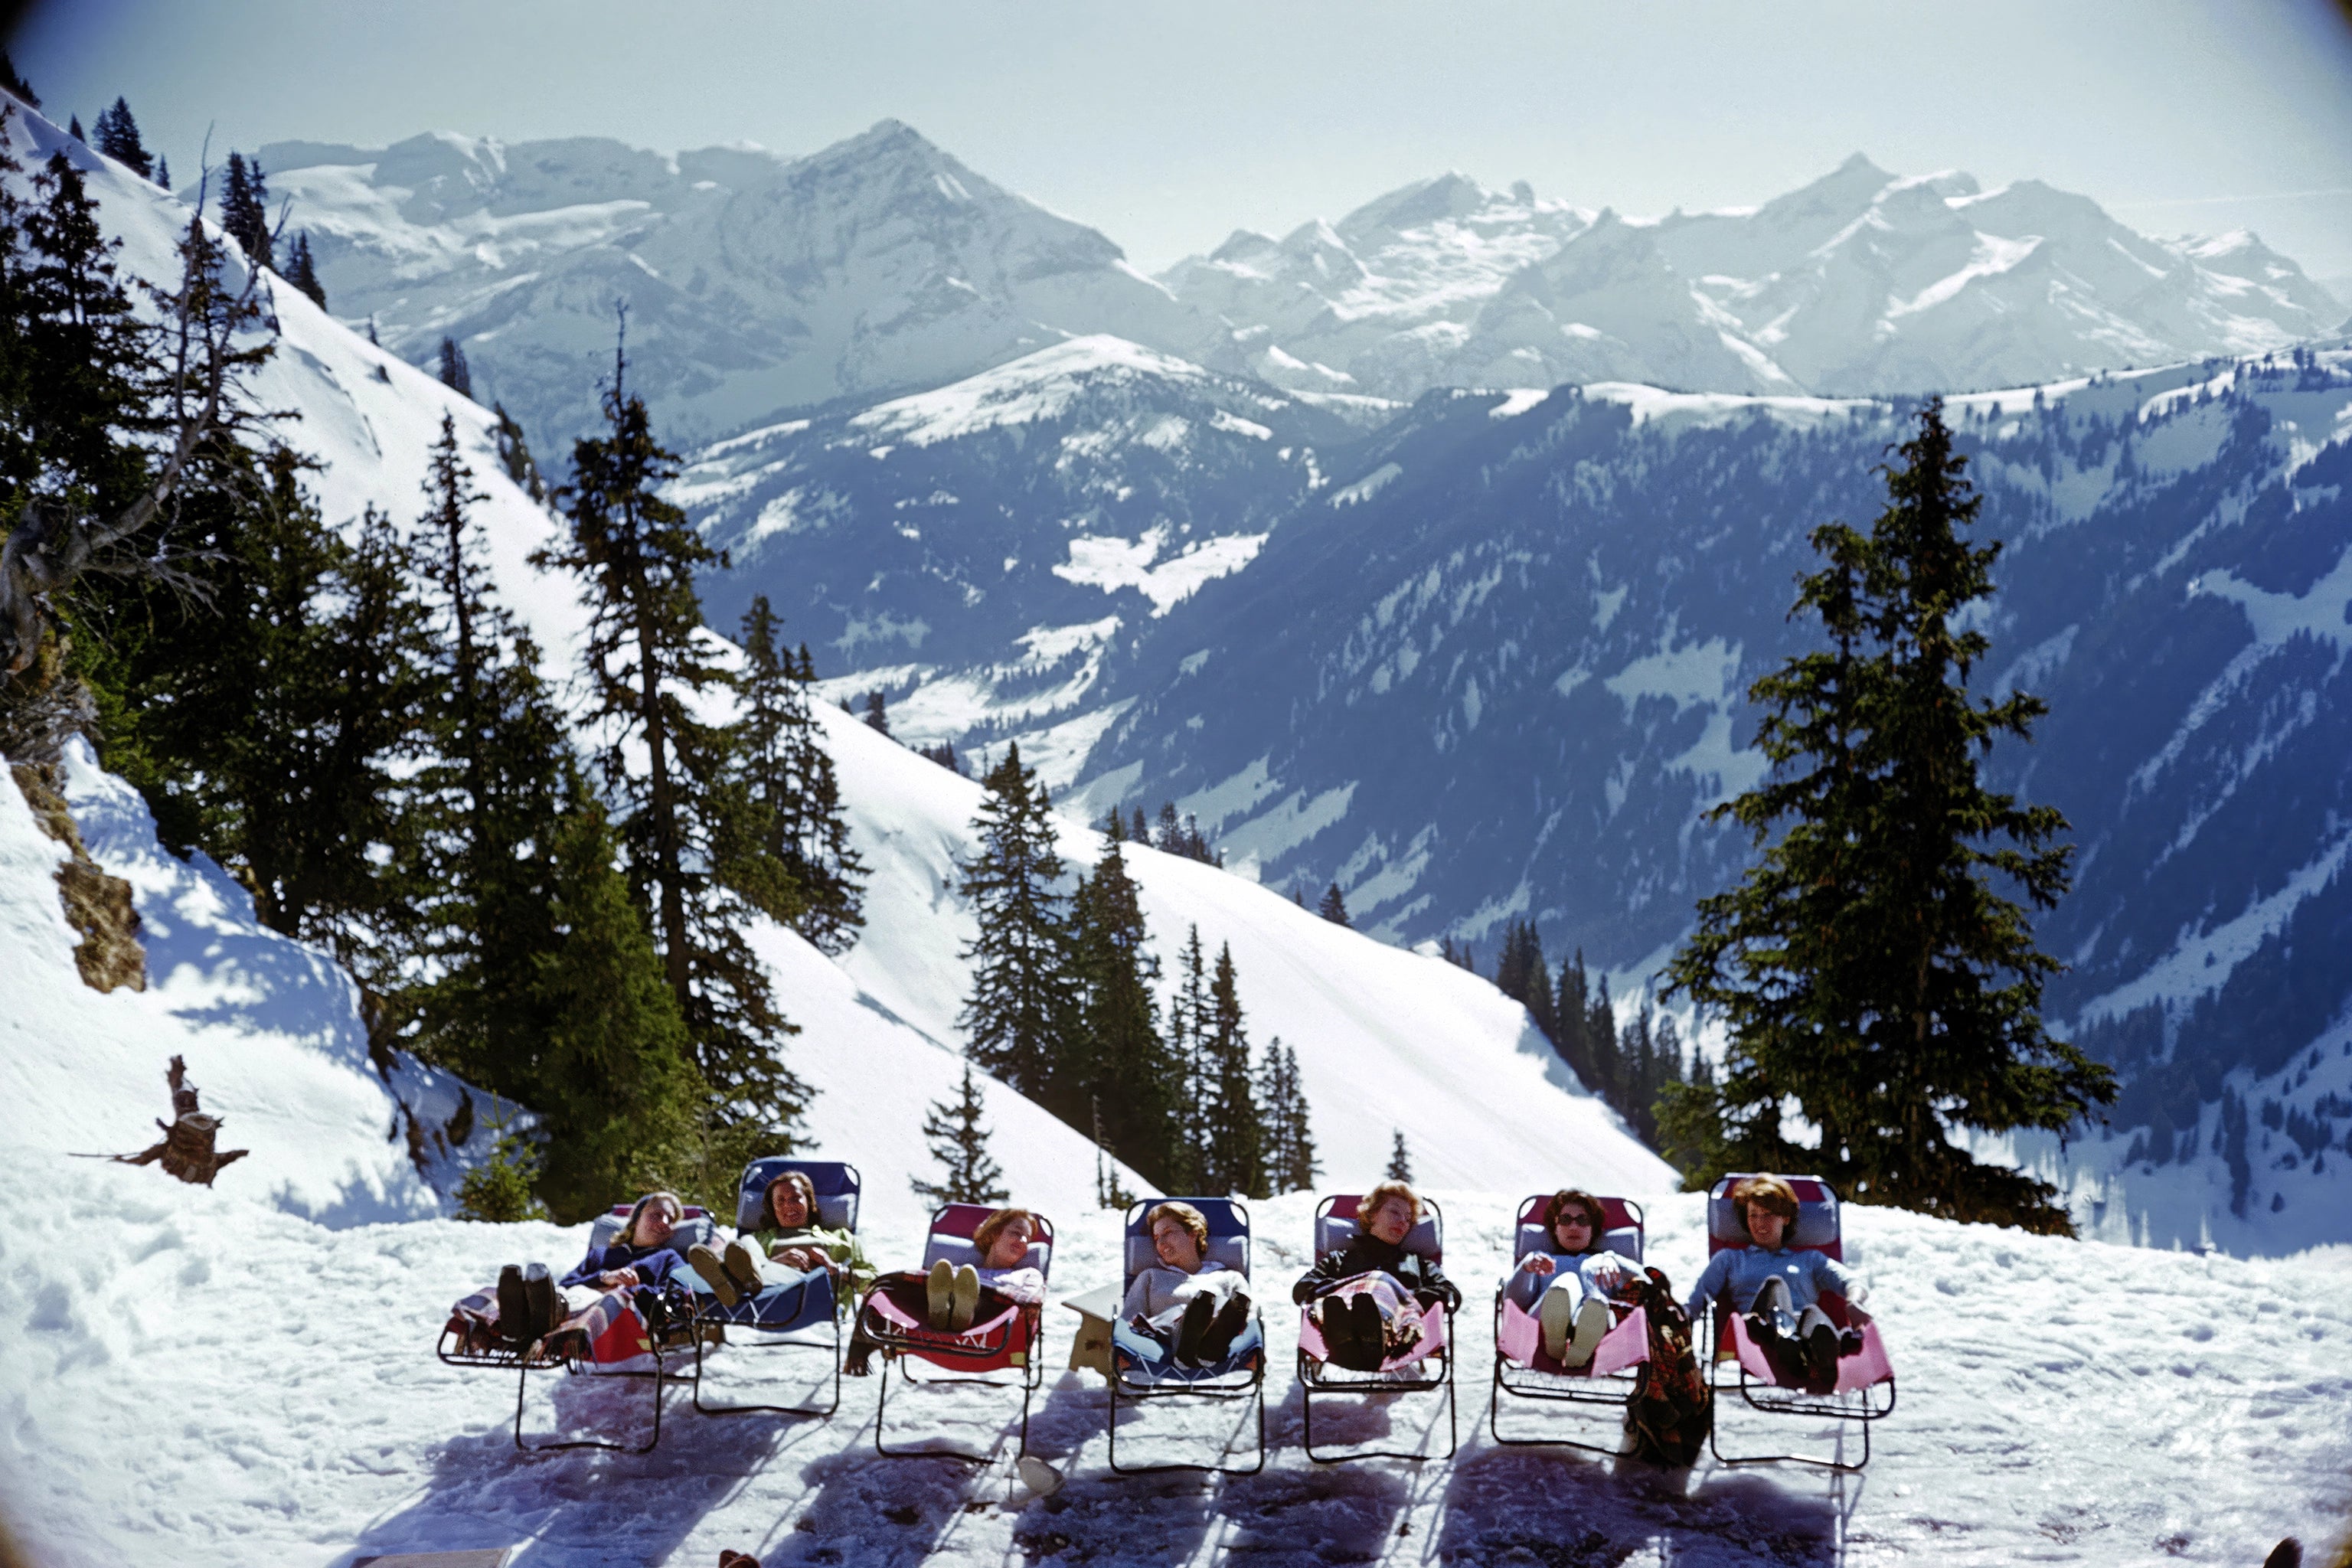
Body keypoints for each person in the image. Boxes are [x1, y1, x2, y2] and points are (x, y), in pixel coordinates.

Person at [1681, 1174, 1871, 1394]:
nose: (1760, 1223)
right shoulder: (1730, 1259)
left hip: (1802, 1333)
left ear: (1786, 1218)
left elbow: (1852, 1281)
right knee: (1775, 1285)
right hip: (1758, 1330)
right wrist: (1679, 1317)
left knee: (1813, 1315)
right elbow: (1696, 1302)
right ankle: (1789, 1341)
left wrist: (1854, 1301)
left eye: (1768, 1215)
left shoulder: (1810, 1259)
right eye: (1754, 1215)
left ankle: (1823, 1358)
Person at [851, 1206, 1049, 1371]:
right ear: (995, 1233)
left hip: (995, 1327)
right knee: (951, 1281)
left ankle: (963, 1313)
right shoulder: (960, 1272)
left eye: (1027, 1239)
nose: (1022, 1241)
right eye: (1016, 1233)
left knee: (975, 1291)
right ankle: (945, 1312)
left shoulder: (1029, 1274)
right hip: (964, 1334)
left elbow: (1032, 1298)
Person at [1292, 1180, 1460, 1372]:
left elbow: (1451, 1294)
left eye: (1408, 1218)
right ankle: (1354, 1337)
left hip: (1399, 1327)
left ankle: (1365, 1339)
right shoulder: (1340, 1259)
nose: (1402, 1222)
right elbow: (1301, 1289)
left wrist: (1400, 1296)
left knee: (1381, 1284)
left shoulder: (1417, 1263)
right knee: (1344, 1300)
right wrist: (1345, 1288)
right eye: (1395, 1212)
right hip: (1347, 1315)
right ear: (1371, 1215)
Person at [492, 1190, 691, 1348]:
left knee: (614, 1298)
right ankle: (513, 1322)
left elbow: (676, 1297)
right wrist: (604, 1278)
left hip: (625, 1324)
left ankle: (532, 1324)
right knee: (538, 1295)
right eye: (656, 1215)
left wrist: (633, 1291)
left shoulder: (668, 1259)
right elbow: (567, 1284)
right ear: (637, 1218)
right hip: (575, 1307)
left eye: (670, 1220)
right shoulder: (601, 1255)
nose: (664, 1223)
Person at [688, 1168, 874, 1313]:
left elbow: (874, 1280)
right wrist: (775, 1262)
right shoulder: (759, 1239)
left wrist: (834, 1269)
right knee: (744, 1242)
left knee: (746, 1250)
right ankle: (744, 1280)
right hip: (764, 1296)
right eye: (781, 1201)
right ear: (773, 1208)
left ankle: (737, 1284)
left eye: (796, 1198)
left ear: (809, 1202)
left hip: (811, 1295)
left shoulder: (842, 1239)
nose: (789, 1205)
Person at [1513, 1188, 1639, 1367]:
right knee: (1567, 1283)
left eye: (1583, 1220)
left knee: (1596, 1303)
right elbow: (1514, 1301)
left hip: (1602, 1329)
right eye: (1565, 1220)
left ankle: (1581, 1343)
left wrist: (1614, 1260)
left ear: (1593, 1228)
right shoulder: (1541, 1259)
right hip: (1540, 1325)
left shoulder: (1605, 1261)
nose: (1574, 1227)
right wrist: (1526, 1267)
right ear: (1555, 1227)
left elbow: (1647, 1285)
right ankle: (1556, 1338)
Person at [1119, 1200, 1253, 1367]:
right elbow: (1129, 1321)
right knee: (1189, 1310)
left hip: (1220, 1346)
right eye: (1157, 1238)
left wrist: (1255, 1348)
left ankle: (1211, 1341)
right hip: (1162, 1342)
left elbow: (1251, 1320)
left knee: (1225, 1305)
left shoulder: (1230, 1277)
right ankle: (1189, 1339)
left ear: (1192, 1233)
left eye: (1168, 1232)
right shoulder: (1150, 1277)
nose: (1161, 1243)